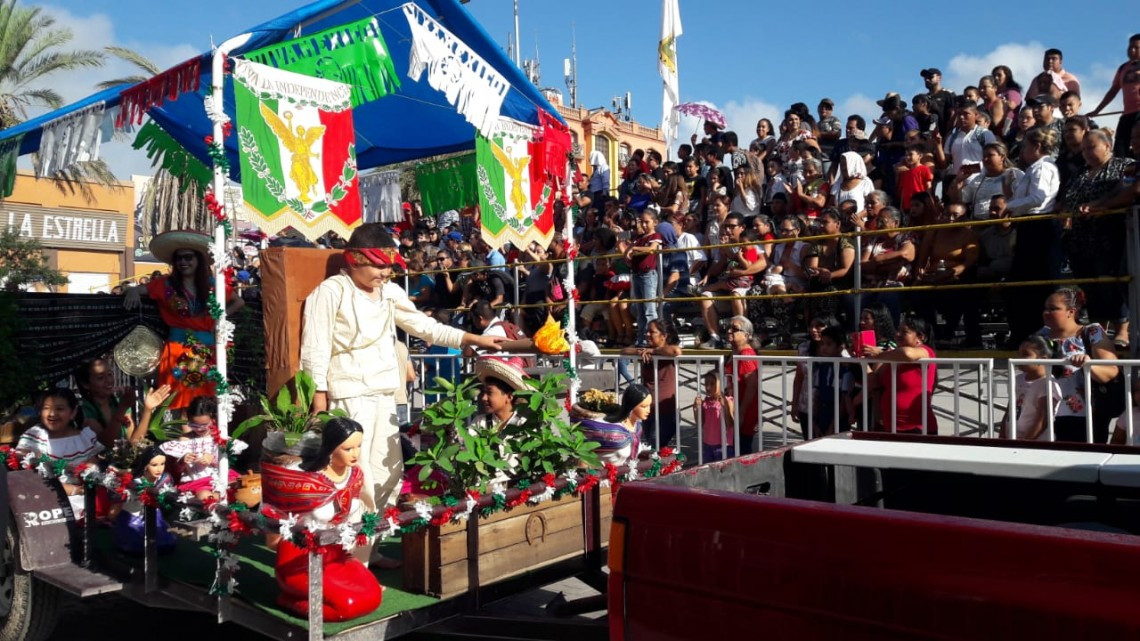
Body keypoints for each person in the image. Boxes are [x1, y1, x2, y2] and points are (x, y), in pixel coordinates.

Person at [300, 223, 506, 521]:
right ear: (355, 259)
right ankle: (351, 554)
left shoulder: (389, 292)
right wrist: (319, 401)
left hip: (385, 396)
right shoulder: (332, 292)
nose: (385, 273)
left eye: (388, 267)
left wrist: (472, 338)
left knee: (390, 474)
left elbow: (426, 327)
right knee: (358, 476)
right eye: (379, 266)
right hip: (350, 397)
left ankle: (368, 549)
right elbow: (314, 349)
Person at [271, 417, 383, 622]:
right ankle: (287, 599)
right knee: (346, 606)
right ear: (331, 448)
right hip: (299, 555)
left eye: (358, 446)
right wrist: (273, 537)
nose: (355, 453)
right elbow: (273, 507)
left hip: (336, 554)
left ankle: (305, 598)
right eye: (348, 448)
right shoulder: (306, 478)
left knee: (373, 596)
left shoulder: (355, 475)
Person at [123, 230, 243, 410]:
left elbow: (238, 302)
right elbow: (138, 290)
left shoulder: (212, 284)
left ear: (198, 260)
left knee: (208, 404)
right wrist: (132, 291)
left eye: (188, 257)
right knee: (179, 403)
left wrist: (219, 320)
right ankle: (182, 437)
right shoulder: (165, 284)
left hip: (208, 351)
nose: (183, 262)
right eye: (178, 259)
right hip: (177, 351)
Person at [1061, 129, 1135, 344]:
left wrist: (1098, 206)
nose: (1086, 153)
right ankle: (1098, 331)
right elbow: (1068, 198)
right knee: (1090, 285)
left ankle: (1122, 329)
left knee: (1112, 282)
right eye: (1083, 149)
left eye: (1091, 147)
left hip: (1111, 235)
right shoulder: (1080, 173)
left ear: (1107, 146)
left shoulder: (1125, 165)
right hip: (1080, 238)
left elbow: (1125, 191)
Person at [1037, 288, 1119, 444]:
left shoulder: (1091, 332)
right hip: (1046, 414)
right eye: (1045, 308)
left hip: (1087, 417)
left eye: (1053, 308)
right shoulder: (1041, 335)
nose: (1046, 312)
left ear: (1071, 311)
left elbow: (1112, 371)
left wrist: (1088, 364)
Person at [16, 388, 104, 515]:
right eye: (46, 408)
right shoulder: (35, 435)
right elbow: (28, 470)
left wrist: (87, 475)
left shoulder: (84, 436)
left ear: (73, 412)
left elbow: (93, 466)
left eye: (60, 409)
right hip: (47, 501)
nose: (52, 414)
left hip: (83, 498)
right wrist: (68, 489)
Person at [864, 314, 938, 435]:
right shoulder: (890, 356)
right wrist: (863, 361)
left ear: (920, 337)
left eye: (904, 332)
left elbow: (908, 354)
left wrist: (879, 354)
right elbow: (874, 382)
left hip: (918, 427)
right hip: (890, 426)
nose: (898, 334)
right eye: (898, 330)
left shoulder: (925, 351)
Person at [73, 357, 170, 447]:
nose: (108, 381)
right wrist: (122, 409)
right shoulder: (85, 411)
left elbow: (134, 443)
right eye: (101, 378)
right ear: (85, 384)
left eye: (110, 374)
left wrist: (148, 409)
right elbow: (107, 443)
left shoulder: (118, 403)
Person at [160, 395, 238, 502]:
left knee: (240, 487)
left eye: (204, 425)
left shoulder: (219, 438)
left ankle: (222, 498)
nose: (199, 429)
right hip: (196, 483)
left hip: (220, 479)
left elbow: (228, 462)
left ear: (213, 420)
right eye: (194, 425)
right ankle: (218, 500)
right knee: (204, 496)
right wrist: (182, 461)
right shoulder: (185, 440)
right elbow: (176, 470)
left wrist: (214, 459)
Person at [622, 319, 681, 448]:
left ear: (664, 336)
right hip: (648, 410)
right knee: (650, 446)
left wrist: (654, 351)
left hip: (665, 411)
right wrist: (641, 351)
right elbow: (624, 351)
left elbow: (676, 351)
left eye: (652, 332)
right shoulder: (646, 350)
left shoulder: (665, 351)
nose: (647, 334)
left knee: (655, 447)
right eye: (647, 331)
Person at [112, 445, 177, 555]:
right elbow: (115, 510)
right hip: (134, 518)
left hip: (155, 516)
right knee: (140, 543)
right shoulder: (135, 482)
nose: (159, 468)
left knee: (166, 542)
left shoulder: (165, 479)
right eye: (154, 465)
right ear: (146, 465)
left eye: (162, 464)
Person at [1088, 34, 1140, 159]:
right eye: (1130, 47)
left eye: (1136, 47)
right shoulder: (1123, 68)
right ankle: (1123, 176)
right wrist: (1097, 110)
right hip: (1127, 113)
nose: (1132, 50)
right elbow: (1113, 91)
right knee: (1120, 148)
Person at [1002, 336, 1062, 440]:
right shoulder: (1018, 379)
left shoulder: (1048, 384)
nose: (1020, 358)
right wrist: (1002, 436)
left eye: (1025, 354)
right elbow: (1009, 411)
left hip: (1036, 444)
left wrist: (1027, 442)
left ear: (1043, 359)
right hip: (1012, 439)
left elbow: (1042, 420)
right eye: (1019, 354)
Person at [580, 384, 650, 466]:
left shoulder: (637, 428)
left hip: (627, 475)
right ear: (632, 406)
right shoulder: (613, 431)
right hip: (604, 476)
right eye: (644, 406)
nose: (648, 410)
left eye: (649, 405)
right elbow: (583, 453)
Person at [951, 142, 1023, 220]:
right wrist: (959, 181)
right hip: (978, 224)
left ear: (1002, 157)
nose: (985, 159)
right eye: (984, 156)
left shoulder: (1014, 174)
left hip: (1002, 224)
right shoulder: (979, 178)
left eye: (990, 155)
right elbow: (959, 201)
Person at [724, 316, 760, 454]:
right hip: (735, 408)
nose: (729, 331)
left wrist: (741, 413)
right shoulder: (736, 352)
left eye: (734, 329)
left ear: (746, 335)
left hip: (744, 411)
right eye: (728, 328)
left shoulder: (746, 355)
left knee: (742, 450)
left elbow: (751, 386)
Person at [627, 210, 663, 345]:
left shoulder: (655, 235)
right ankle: (641, 339)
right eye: (641, 221)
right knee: (640, 310)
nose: (643, 224)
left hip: (648, 274)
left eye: (647, 222)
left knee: (649, 309)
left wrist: (635, 249)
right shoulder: (639, 238)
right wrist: (629, 249)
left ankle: (654, 338)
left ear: (655, 223)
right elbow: (628, 254)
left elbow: (652, 249)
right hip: (636, 274)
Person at [693, 370, 734, 462]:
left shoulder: (728, 401)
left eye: (712, 384)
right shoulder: (705, 402)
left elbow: (730, 423)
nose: (708, 387)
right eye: (706, 384)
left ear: (721, 385)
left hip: (724, 445)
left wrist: (725, 407)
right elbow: (700, 423)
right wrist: (695, 409)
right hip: (708, 444)